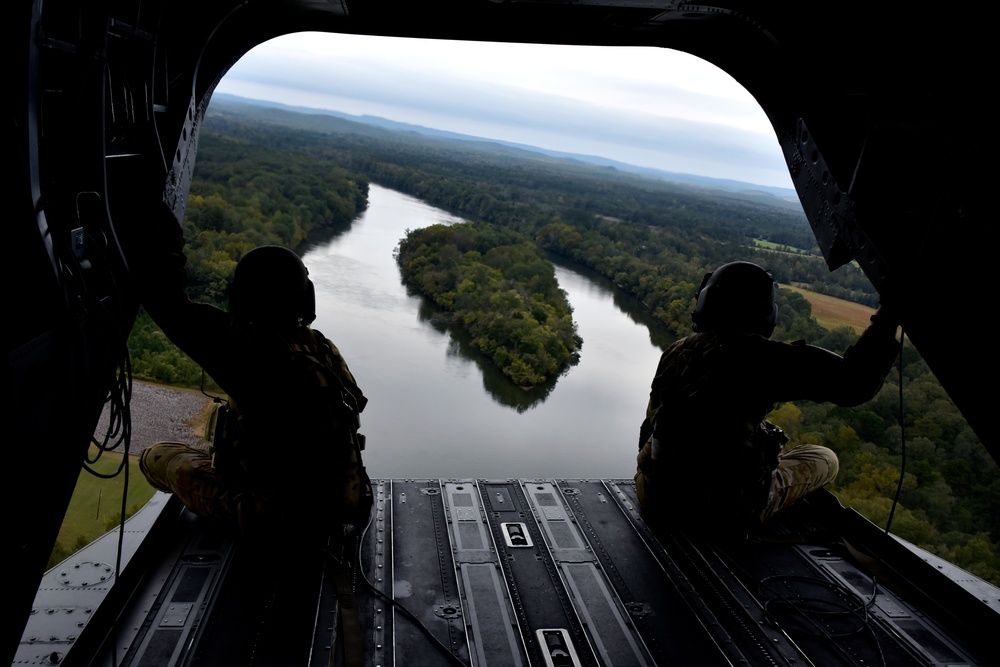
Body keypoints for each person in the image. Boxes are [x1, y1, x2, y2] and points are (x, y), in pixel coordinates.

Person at [133, 205, 371, 540]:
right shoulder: (322, 348)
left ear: (241, 298)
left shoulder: (249, 348)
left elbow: (168, 305)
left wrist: (167, 246)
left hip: (274, 517)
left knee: (157, 456)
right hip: (343, 504)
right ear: (307, 299)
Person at [634, 260, 900, 538]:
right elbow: (855, 384)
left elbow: (650, 428)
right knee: (824, 458)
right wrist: (888, 316)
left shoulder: (676, 351)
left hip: (655, 494)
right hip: (717, 514)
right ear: (765, 314)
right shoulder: (761, 358)